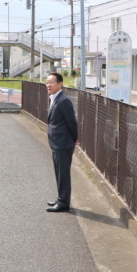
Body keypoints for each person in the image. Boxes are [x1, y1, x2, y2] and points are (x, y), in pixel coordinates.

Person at [45, 72, 79, 213]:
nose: (49, 85)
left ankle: (64, 203)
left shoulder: (63, 100)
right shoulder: (54, 98)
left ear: (60, 84)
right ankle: (61, 198)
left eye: (52, 82)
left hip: (63, 144)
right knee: (59, 173)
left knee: (63, 174)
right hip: (57, 143)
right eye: (47, 82)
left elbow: (72, 122)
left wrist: (74, 139)